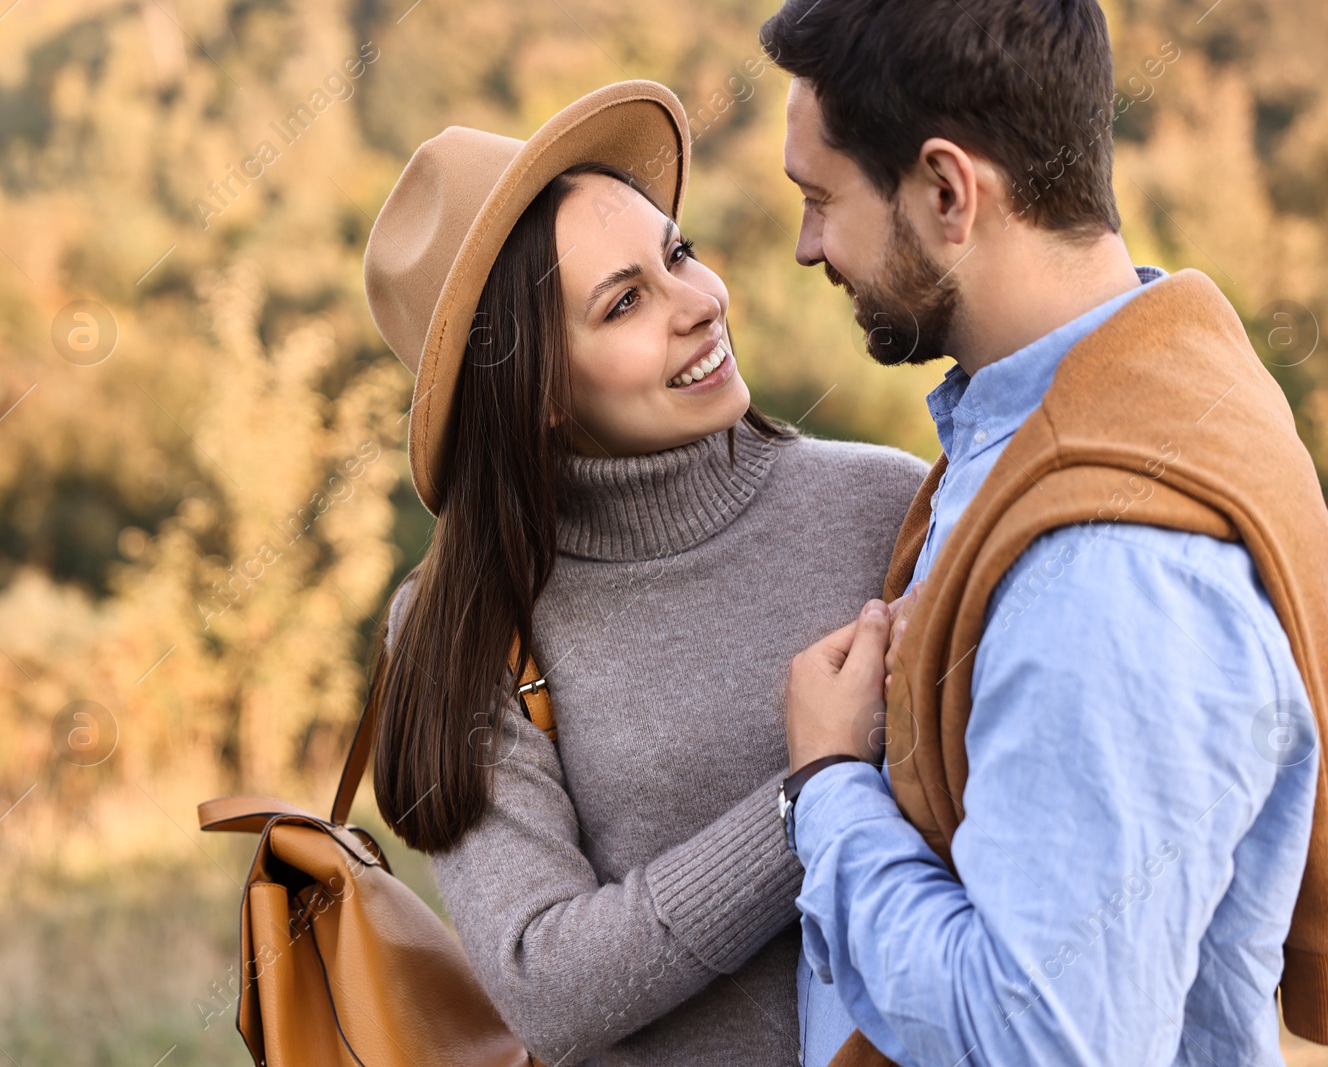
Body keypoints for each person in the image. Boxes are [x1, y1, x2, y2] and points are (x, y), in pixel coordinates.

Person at [759, 1, 1328, 1065]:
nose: (805, 245)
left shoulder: (1106, 572)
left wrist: (827, 787)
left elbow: (1041, 1038)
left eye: (821, 200)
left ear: (948, 191)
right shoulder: (1124, 394)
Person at [361, 81, 928, 1066]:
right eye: (625, 302)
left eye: (679, 256)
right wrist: (810, 795)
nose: (700, 304)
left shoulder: (888, 508)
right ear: (533, 387)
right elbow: (549, 985)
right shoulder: (464, 625)